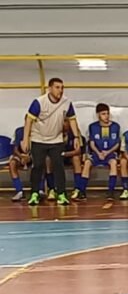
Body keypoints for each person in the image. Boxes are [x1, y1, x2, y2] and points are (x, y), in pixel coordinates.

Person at [22, 78, 79, 206]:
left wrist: (76, 137)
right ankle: (35, 193)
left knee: (59, 166)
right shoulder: (39, 102)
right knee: (38, 166)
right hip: (38, 138)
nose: (60, 90)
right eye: (57, 87)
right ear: (50, 88)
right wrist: (25, 139)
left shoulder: (67, 103)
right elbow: (29, 120)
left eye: (62, 87)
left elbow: (72, 119)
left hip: (56, 139)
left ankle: (61, 194)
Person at [80, 103, 122, 202]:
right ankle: (82, 192)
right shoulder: (93, 127)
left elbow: (117, 144)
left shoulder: (115, 126)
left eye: (107, 113)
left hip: (110, 153)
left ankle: (110, 192)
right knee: (87, 163)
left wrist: (107, 152)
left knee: (113, 163)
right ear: (98, 115)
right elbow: (92, 143)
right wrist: (98, 153)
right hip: (97, 153)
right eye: (103, 114)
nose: (106, 116)